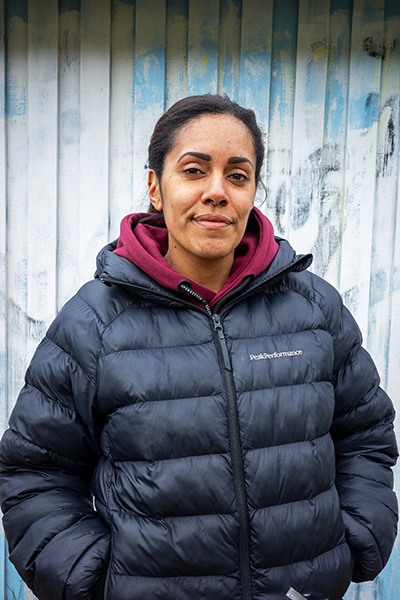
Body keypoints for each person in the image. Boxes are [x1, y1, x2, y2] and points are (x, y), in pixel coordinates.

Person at [0, 94, 397, 600]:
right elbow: (36, 472)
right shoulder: (94, 323)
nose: (217, 192)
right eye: (194, 171)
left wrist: (354, 540)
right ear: (156, 188)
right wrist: (95, 582)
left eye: (237, 175)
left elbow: (365, 435)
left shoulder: (314, 308)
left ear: (252, 191)